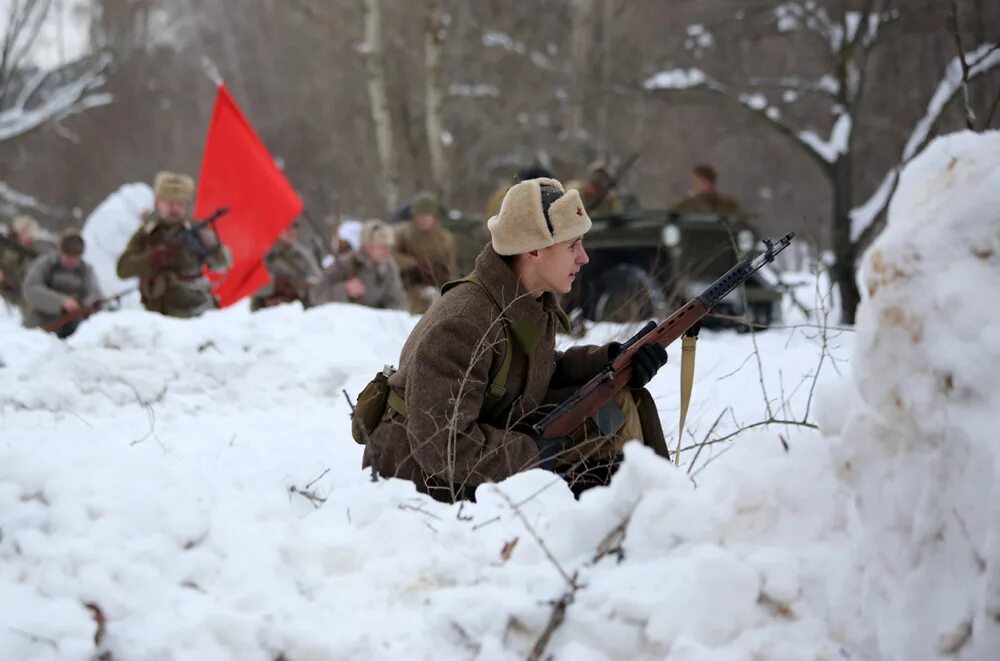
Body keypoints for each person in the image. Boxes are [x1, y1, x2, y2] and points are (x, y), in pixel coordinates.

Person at [360, 177, 670, 503]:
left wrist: (609, 362)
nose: (584, 258)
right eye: (572, 245)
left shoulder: (525, 298)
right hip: (417, 478)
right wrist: (534, 455)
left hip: (481, 447)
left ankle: (642, 509)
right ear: (533, 249)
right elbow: (443, 444)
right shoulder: (463, 323)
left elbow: (534, 372)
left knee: (615, 403)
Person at [116, 171, 231, 318]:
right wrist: (153, 258)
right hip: (162, 313)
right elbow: (123, 269)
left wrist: (214, 247)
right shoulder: (147, 233)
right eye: (170, 203)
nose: (175, 209)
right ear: (158, 203)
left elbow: (222, 265)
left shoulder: (196, 229)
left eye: (179, 204)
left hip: (199, 307)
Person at [21, 229, 103, 338]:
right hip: (41, 324)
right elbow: (30, 288)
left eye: (76, 257)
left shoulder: (86, 270)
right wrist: (61, 301)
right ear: (61, 252)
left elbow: (94, 292)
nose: (72, 260)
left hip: (74, 326)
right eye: (68, 256)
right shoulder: (46, 264)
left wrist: (91, 304)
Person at [312, 219, 407, 311]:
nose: (387, 251)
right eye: (381, 247)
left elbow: (398, 299)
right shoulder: (345, 264)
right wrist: (345, 289)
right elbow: (317, 295)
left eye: (389, 246)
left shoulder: (390, 267)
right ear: (366, 246)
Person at [393, 191, 458, 314]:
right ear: (414, 215)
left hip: (436, 287)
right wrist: (413, 263)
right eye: (420, 215)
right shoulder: (402, 234)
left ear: (435, 216)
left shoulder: (445, 239)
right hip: (407, 285)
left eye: (427, 215)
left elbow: (451, 270)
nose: (424, 219)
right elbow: (389, 256)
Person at [251, 222, 322, 310]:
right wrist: (276, 283)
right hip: (267, 310)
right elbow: (253, 287)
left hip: (299, 309)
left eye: (294, 228)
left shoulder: (303, 255)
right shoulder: (264, 255)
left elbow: (319, 283)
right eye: (287, 228)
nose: (292, 232)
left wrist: (299, 286)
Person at [0, 215, 48, 311]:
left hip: (17, 292)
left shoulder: (31, 252)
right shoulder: (3, 244)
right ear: (19, 231)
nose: (31, 238)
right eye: (28, 234)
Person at [670, 164, 741, 214]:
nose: (695, 186)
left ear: (710, 183)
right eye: (694, 183)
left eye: (699, 182)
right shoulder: (682, 205)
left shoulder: (729, 205)